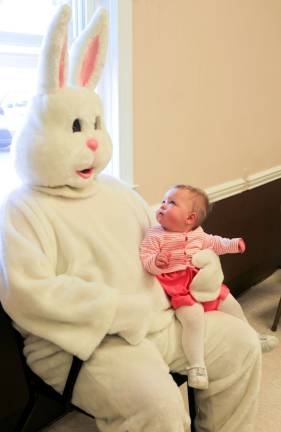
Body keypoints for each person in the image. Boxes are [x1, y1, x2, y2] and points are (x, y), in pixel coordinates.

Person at [0, 5, 264, 432]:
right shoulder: (22, 208)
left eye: (95, 125)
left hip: (158, 319)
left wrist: (199, 262)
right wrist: (122, 310)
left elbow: (162, 242)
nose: (90, 141)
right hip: (83, 344)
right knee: (159, 409)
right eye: (75, 128)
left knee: (241, 344)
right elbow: (30, 294)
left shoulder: (117, 189)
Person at [140, 184, 279, 389]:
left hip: (202, 282)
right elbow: (145, 258)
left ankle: (253, 335)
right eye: (163, 201)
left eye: (171, 203)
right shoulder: (155, 235)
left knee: (229, 302)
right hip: (178, 286)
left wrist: (233, 245)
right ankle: (196, 365)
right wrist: (156, 262)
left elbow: (215, 243)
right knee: (193, 318)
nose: (162, 205)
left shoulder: (198, 234)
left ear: (190, 219)